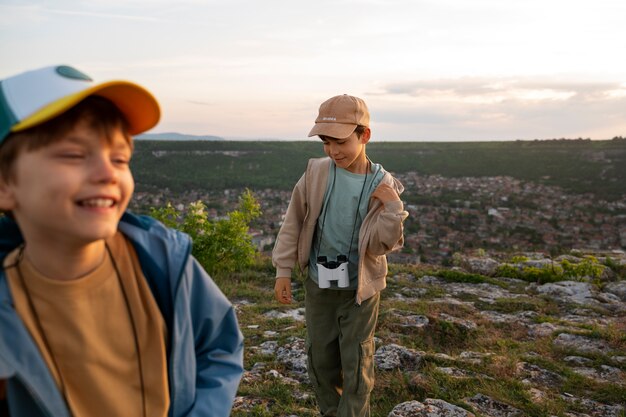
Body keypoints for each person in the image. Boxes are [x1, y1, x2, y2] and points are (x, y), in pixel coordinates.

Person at [0, 65, 244, 417]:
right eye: (73, 155)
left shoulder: (163, 262)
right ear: (6, 184)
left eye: (120, 158)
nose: (107, 173)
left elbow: (220, 345)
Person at [273, 94, 408, 416]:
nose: (333, 151)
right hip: (319, 285)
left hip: (359, 290)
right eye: (325, 142)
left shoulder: (383, 184)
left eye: (341, 142)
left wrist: (393, 209)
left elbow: (381, 247)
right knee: (321, 358)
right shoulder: (317, 173)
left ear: (365, 136)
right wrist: (283, 270)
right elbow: (294, 220)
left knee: (357, 359)